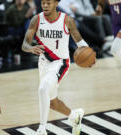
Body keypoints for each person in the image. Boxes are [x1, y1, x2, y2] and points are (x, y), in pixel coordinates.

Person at [22, 0, 95, 134]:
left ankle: (42, 129)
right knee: (52, 102)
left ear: (56, 3)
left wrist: (90, 56)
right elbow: (24, 45)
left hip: (60, 63)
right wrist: (31, 48)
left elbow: (79, 41)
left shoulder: (67, 20)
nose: (44, 6)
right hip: (43, 63)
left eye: (48, 3)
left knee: (43, 89)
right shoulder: (36, 19)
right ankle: (74, 116)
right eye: (43, 3)